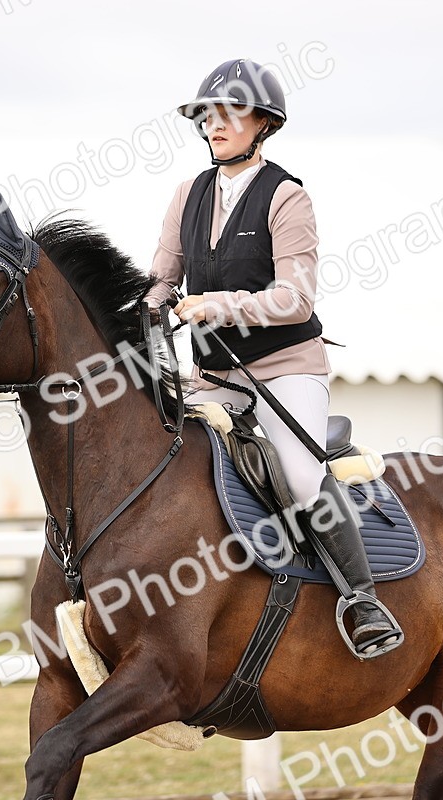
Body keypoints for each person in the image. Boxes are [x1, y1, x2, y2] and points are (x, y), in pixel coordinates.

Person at [144, 59, 402, 658]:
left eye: (230, 114)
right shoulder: (187, 194)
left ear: (263, 123)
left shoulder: (287, 196)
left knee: (303, 476)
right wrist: (142, 309)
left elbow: (294, 298)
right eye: (208, 114)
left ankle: (362, 600)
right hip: (216, 375)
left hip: (287, 369)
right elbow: (162, 278)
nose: (215, 125)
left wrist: (214, 307)